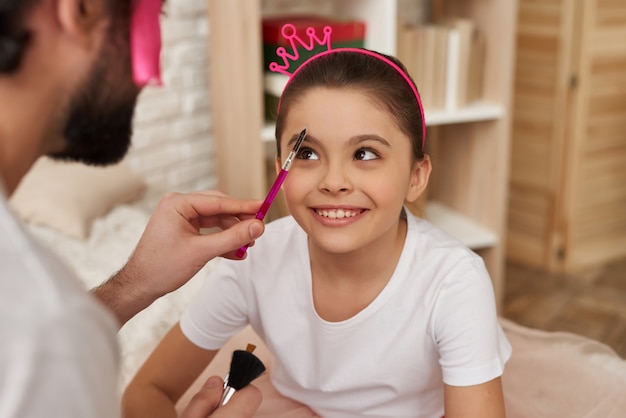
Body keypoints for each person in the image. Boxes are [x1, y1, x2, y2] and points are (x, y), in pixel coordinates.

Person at [122, 24, 513, 418]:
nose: (333, 182)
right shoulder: (254, 259)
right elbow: (146, 390)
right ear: (280, 168)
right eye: (307, 153)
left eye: (364, 154)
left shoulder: (454, 281)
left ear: (416, 176)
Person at [0, 0, 264, 416]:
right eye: (154, 18)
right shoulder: (46, 325)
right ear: (81, 9)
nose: (152, 78)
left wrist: (130, 285)